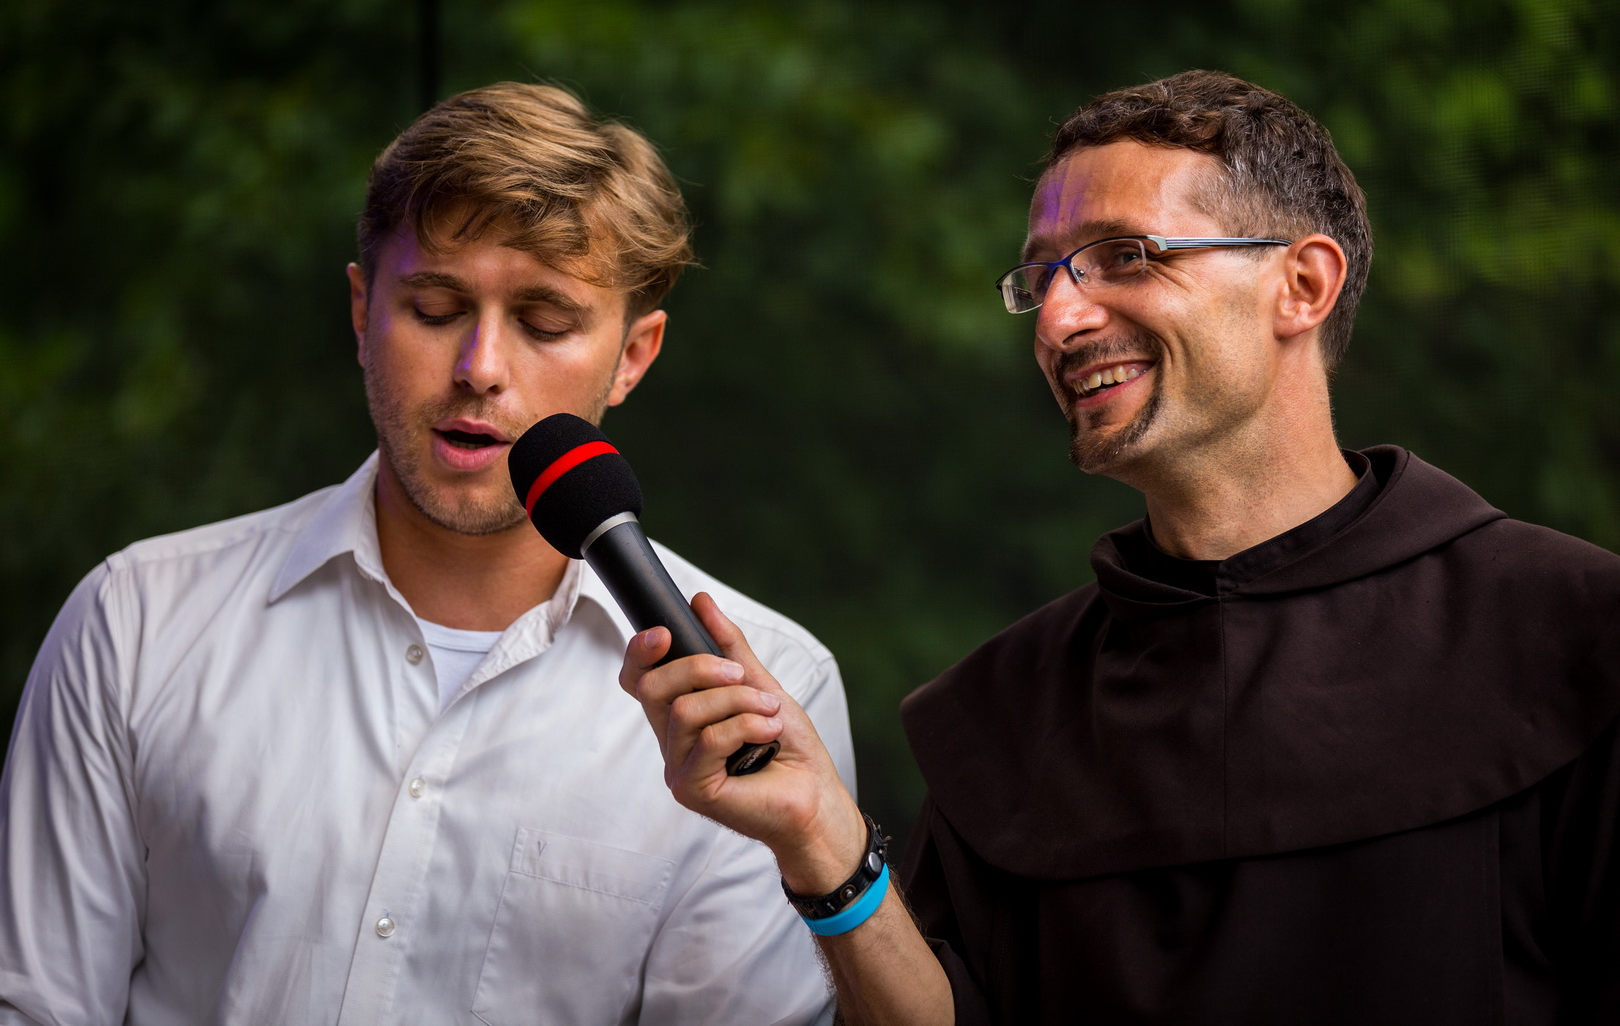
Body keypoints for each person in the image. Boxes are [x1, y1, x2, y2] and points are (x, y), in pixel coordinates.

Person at [621, 70, 1620, 1025]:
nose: (1059, 318)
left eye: (1127, 256)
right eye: (1043, 276)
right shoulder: (1001, 714)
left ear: (1303, 285)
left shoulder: (1571, 640)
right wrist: (821, 841)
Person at [0, 82, 853, 1025]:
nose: (481, 368)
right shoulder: (137, 621)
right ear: (361, 310)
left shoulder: (764, 697)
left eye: (545, 323)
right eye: (437, 307)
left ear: (633, 355)